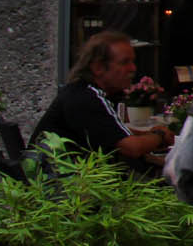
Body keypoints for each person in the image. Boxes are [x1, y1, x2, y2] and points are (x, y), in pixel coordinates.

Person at [30, 31, 173, 177]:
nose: (133, 68)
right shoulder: (86, 98)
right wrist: (160, 136)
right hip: (62, 190)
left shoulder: (81, 91)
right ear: (98, 67)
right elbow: (132, 148)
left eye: (133, 61)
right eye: (125, 62)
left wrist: (149, 135)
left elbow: (112, 133)